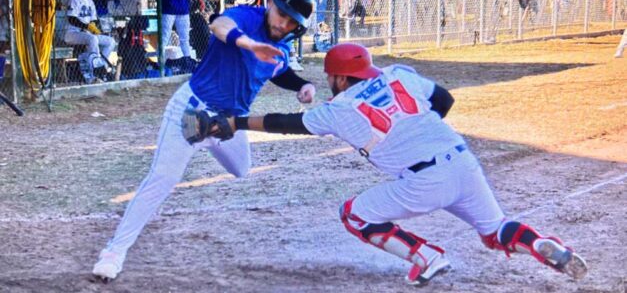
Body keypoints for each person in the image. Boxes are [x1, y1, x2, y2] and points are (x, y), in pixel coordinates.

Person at [197, 43, 589, 286]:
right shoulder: (398, 75)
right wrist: (417, 128)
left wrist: (234, 122)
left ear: (337, 77)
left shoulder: (340, 107)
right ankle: (538, 244)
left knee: (354, 215)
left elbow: (287, 124)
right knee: (495, 230)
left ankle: (426, 257)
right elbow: (445, 100)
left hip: (423, 179)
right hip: (461, 159)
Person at [91, 0, 317, 281]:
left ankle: (209, 141)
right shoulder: (248, 18)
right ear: (270, 5)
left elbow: (278, 70)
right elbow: (219, 25)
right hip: (192, 111)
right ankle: (113, 253)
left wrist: (302, 85)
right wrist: (249, 44)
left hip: (228, 123)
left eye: (291, 22)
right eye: (280, 14)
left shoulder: (282, 43)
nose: (283, 23)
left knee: (241, 169)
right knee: (163, 179)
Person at [64, 0, 117, 84]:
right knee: (93, 39)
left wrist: (94, 27)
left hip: (87, 34)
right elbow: (71, 19)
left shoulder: (90, 1)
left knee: (110, 41)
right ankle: (94, 75)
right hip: (73, 33)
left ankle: (100, 67)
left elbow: (94, 20)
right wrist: (86, 26)